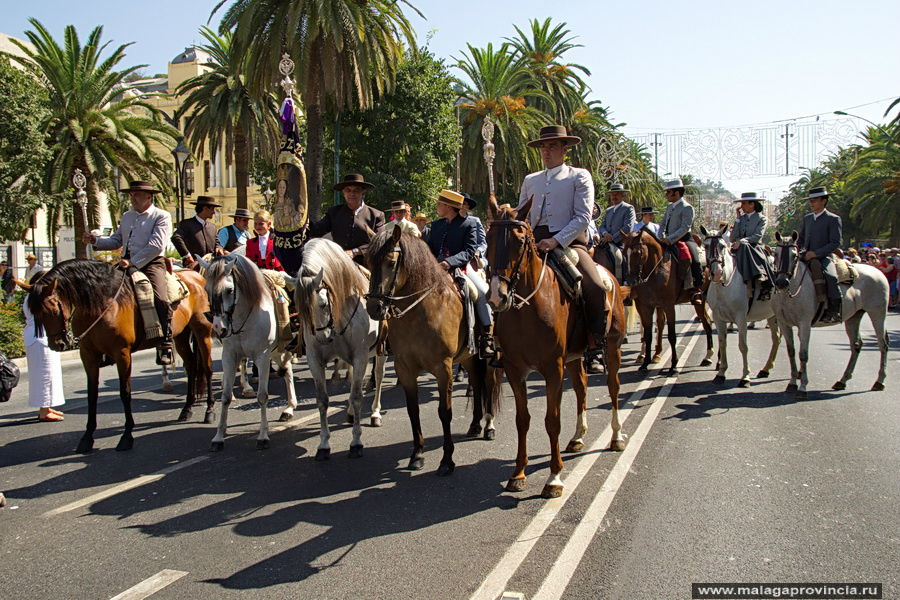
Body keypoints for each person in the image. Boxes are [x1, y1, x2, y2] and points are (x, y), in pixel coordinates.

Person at [515, 125, 608, 363]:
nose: (547, 152)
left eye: (553, 146)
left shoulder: (579, 176)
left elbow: (583, 217)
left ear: (565, 149)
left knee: (595, 286)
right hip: (534, 242)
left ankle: (595, 344)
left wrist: (556, 240)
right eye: (544, 147)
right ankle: (500, 340)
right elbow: (521, 213)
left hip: (569, 243)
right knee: (501, 280)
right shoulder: (530, 180)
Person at [85, 180, 175, 364]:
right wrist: (96, 241)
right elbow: (117, 240)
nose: (133, 198)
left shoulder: (161, 216)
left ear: (149, 197)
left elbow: (156, 246)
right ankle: (108, 342)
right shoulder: (127, 216)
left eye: (137, 195)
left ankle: (165, 341)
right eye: (132, 194)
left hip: (151, 263)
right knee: (102, 294)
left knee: (161, 298)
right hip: (126, 263)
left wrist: (133, 261)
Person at [424, 189, 499, 364]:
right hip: (435, 268)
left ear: (449, 207)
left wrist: (449, 262)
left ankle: (487, 336)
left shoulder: (469, 224)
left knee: (481, 292)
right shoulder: (436, 225)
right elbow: (429, 249)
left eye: (439, 204)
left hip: (461, 268)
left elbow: (469, 250)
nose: (437, 207)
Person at [308, 173, 385, 266]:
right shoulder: (334, 212)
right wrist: (302, 219)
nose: (352, 194)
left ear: (363, 193)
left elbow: (380, 243)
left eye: (356, 190)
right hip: (338, 264)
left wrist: (355, 251)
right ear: (343, 193)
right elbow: (316, 230)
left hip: (366, 267)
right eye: (348, 190)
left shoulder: (376, 215)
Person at [20, 271, 66, 422]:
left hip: (35, 337)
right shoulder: (38, 296)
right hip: (40, 338)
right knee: (45, 375)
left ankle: (46, 406)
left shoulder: (31, 296)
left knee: (46, 374)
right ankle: (44, 410)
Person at [797, 186, 843, 323]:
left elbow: (835, 242)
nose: (811, 203)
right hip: (806, 256)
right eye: (810, 201)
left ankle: (834, 310)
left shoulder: (833, 219)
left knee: (831, 277)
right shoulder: (808, 218)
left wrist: (816, 253)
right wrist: (800, 250)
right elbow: (801, 238)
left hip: (824, 257)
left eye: (815, 200)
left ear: (824, 201)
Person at [659, 178, 704, 302]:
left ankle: (696, 289)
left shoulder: (687, 207)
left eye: (668, 192)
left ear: (677, 193)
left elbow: (685, 227)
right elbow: (662, 224)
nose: (666, 195)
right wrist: (660, 237)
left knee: (695, 260)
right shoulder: (669, 207)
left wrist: (670, 239)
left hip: (684, 239)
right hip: (667, 239)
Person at [731, 192, 775, 300]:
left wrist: (742, 241)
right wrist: (737, 219)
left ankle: (763, 281)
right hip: (738, 247)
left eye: (744, 203)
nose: (741, 207)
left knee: (750, 250)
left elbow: (757, 235)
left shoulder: (762, 219)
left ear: (752, 204)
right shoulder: (741, 219)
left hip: (754, 247)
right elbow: (732, 237)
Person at [597, 183, 636, 283]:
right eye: (612, 194)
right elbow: (602, 226)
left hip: (620, 243)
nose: (614, 196)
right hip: (605, 241)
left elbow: (627, 227)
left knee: (619, 258)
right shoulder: (609, 210)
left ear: (622, 195)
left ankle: (623, 281)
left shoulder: (628, 208)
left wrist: (613, 237)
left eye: (617, 194)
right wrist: (605, 234)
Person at [172, 196, 224, 269]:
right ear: (205, 208)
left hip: (212, 266)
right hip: (193, 266)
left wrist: (219, 247)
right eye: (212, 209)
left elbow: (217, 242)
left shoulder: (212, 227)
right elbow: (176, 237)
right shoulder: (186, 224)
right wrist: (187, 255)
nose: (214, 212)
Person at [460, 194, 488, 269]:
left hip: (473, 259)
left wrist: (478, 252)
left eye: (464, 203)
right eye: (459, 203)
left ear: (468, 207)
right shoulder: (449, 221)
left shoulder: (475, 221)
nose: (461, 206)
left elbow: (483, 243)